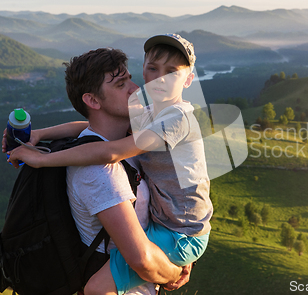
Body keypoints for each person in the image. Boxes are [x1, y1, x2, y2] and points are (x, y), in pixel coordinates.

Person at [7, 34, 212, 295]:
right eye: (151, 69)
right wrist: (40, 140)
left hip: (182, 230)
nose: (138, 87)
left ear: (188, 79)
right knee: (95, 289)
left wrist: (43, 154)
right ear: (93, 100)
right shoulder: (104, 167)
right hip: (174, 232)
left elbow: (107, 145)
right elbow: (143, 260)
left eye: (171, 72)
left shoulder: (174, 118)